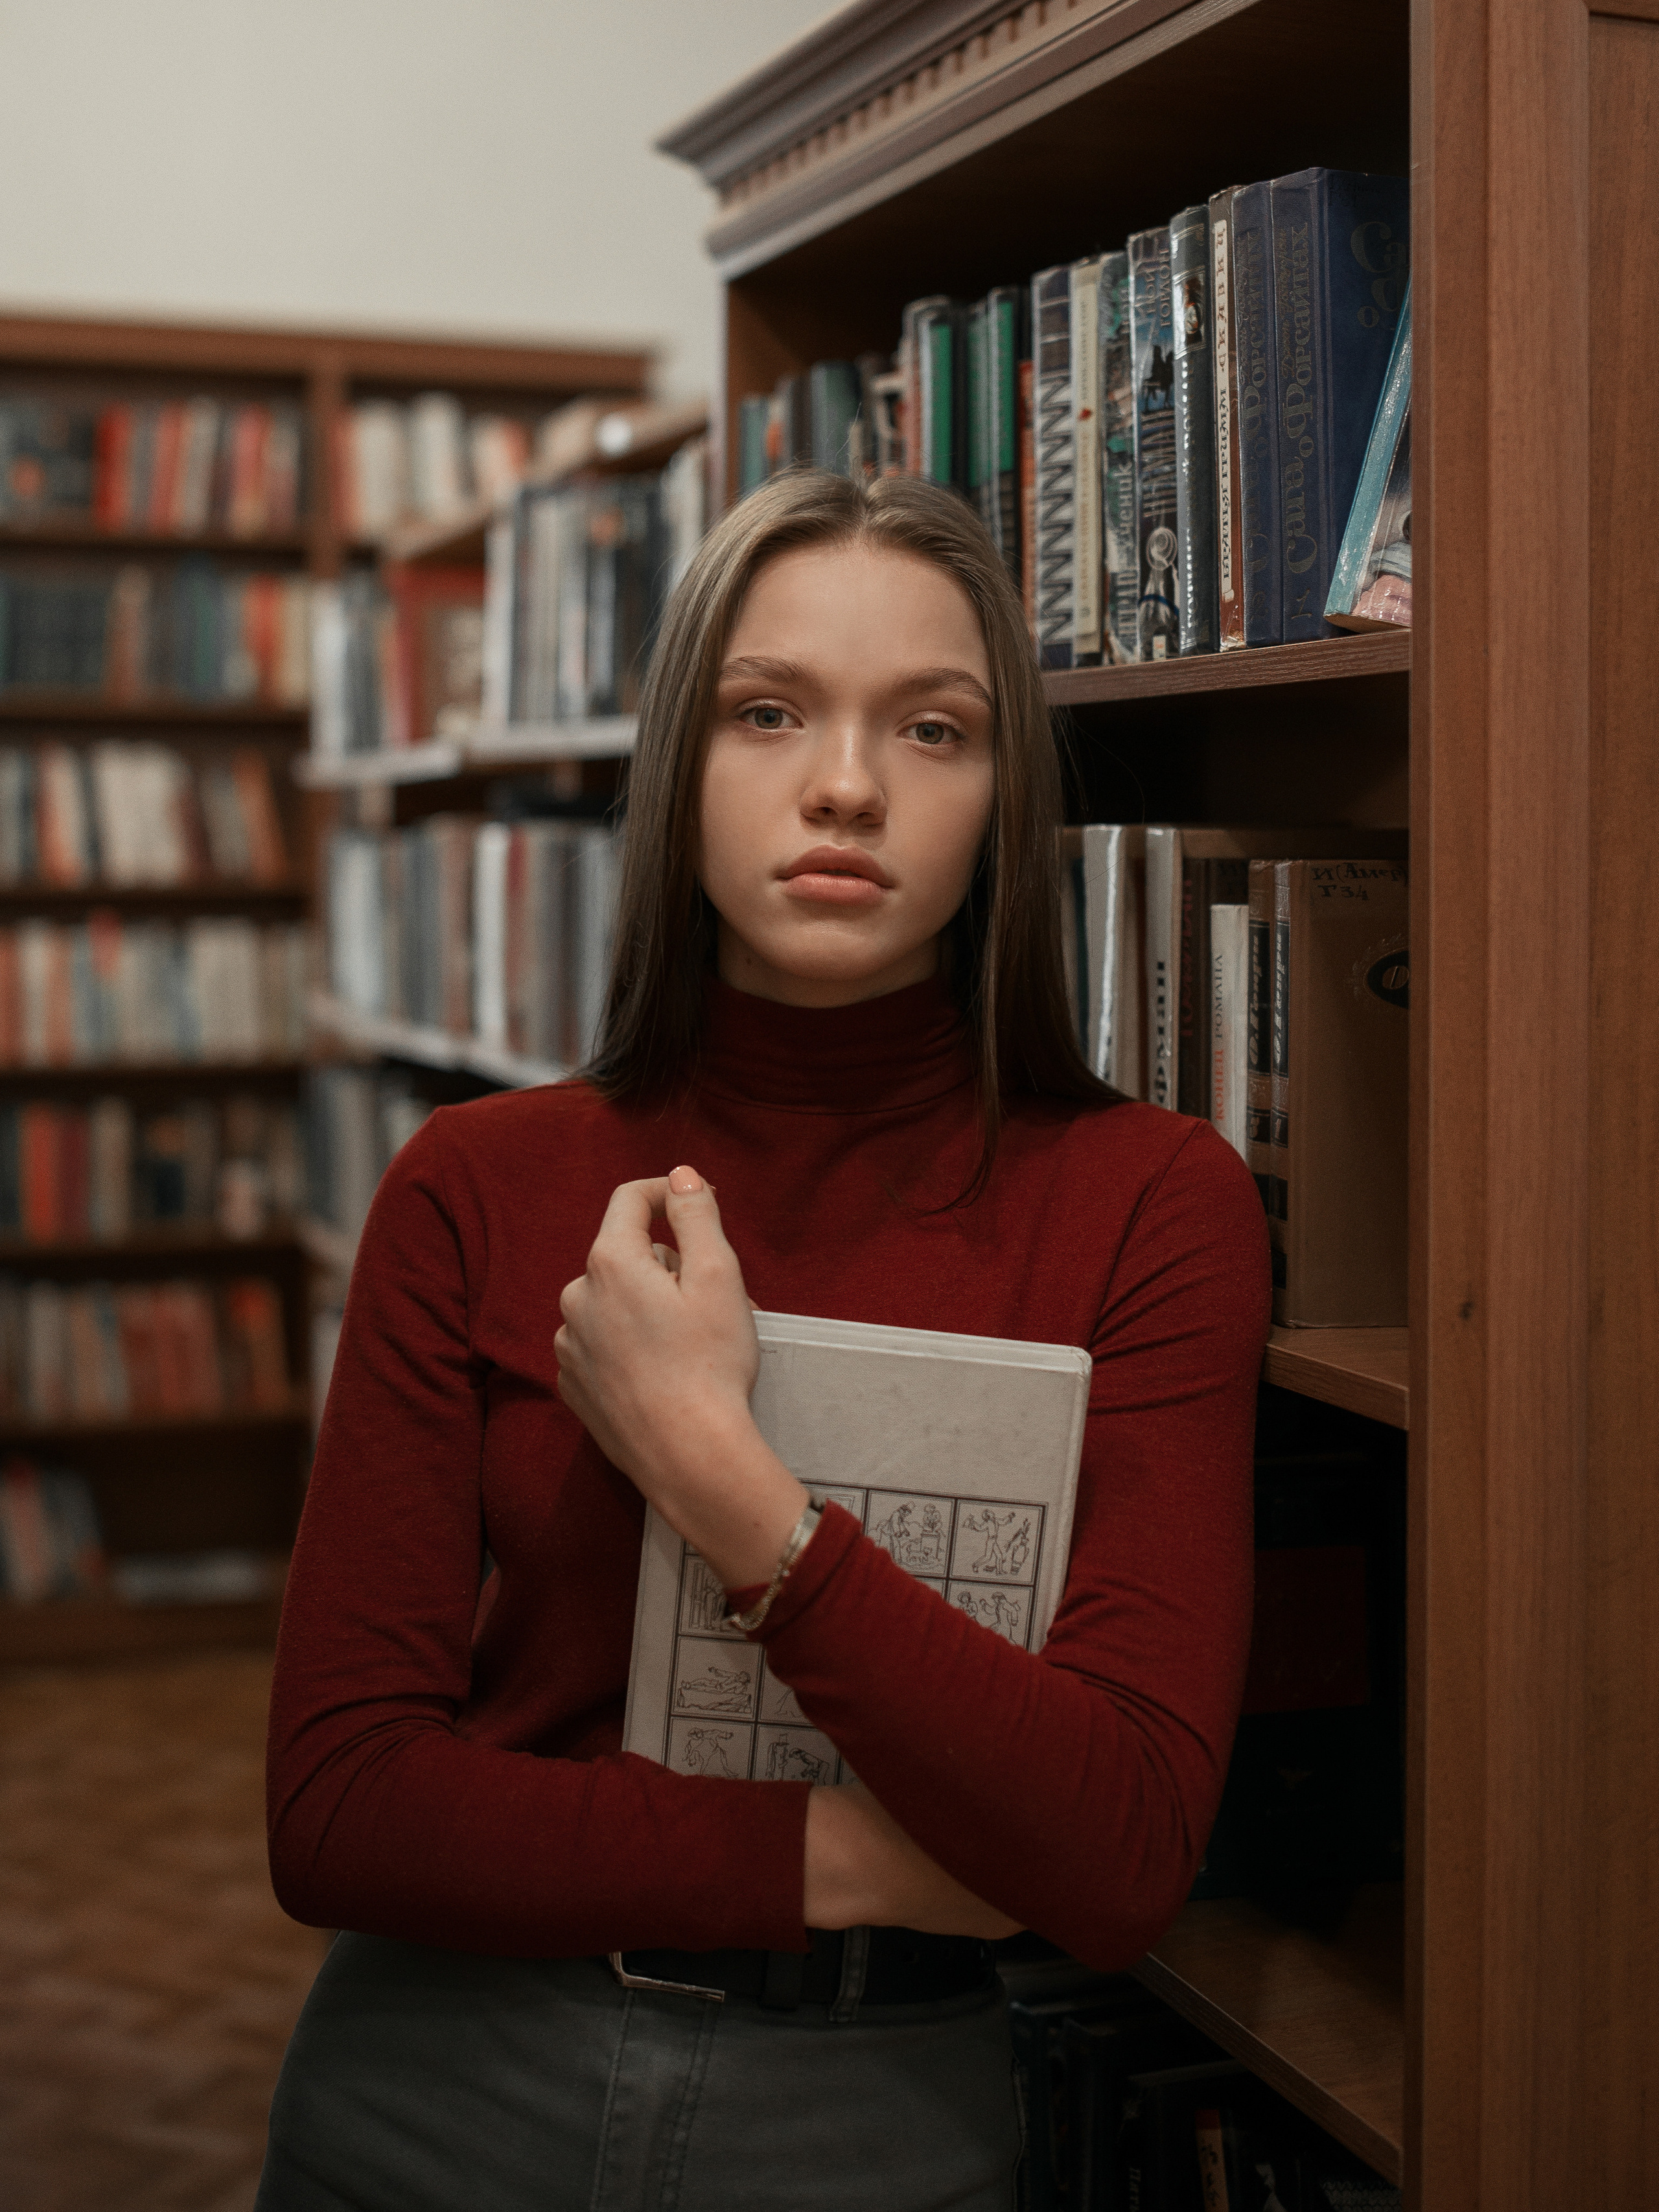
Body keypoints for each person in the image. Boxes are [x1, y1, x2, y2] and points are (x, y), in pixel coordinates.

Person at [256, 469, 1268, 2211]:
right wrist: (851, 1857)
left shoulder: (1151, 1204)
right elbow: (339, 1807)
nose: (849, 784)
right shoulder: (474, 1187)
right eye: (770, 711)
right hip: (433, 2089)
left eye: (934, 729)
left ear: (1006, 794)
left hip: (873, 2119)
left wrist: (720, 1478)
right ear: (681, 762)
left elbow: (1116, 1853)